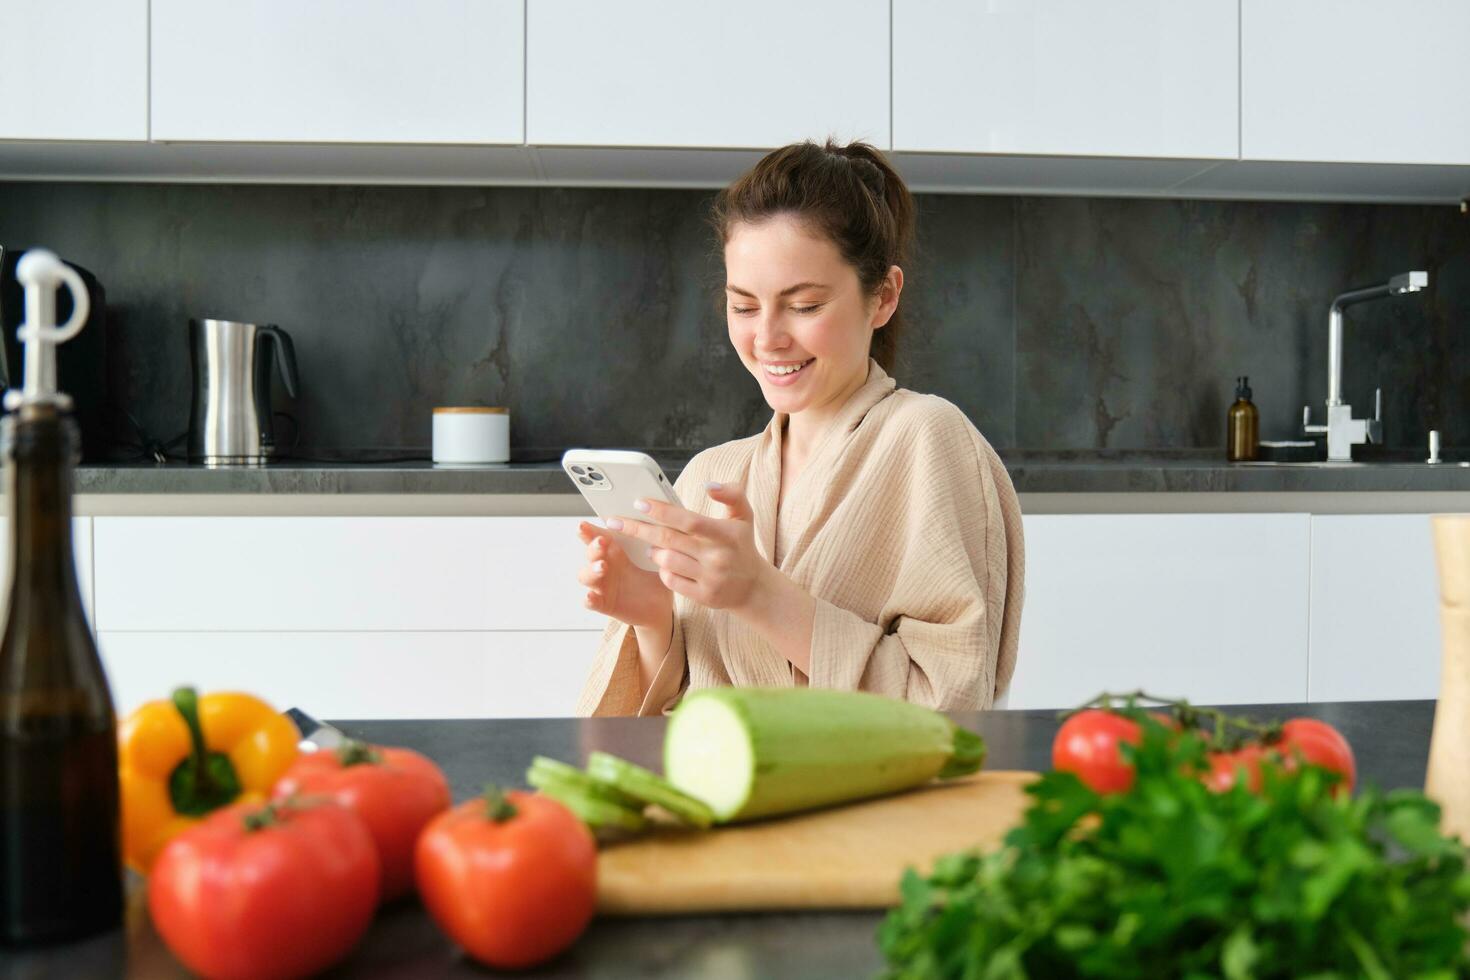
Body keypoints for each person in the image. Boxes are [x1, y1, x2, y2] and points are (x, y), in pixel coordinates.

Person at [575, 139, 1024, 716]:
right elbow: (672, 722)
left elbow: (954, 705)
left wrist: (759, 594)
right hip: (721, 801)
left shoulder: (928, 439)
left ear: (883, 296)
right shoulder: (712, 474)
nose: (767, 337)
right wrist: (651, 621)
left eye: (805, 305)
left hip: (869, 803)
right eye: (743, 306)